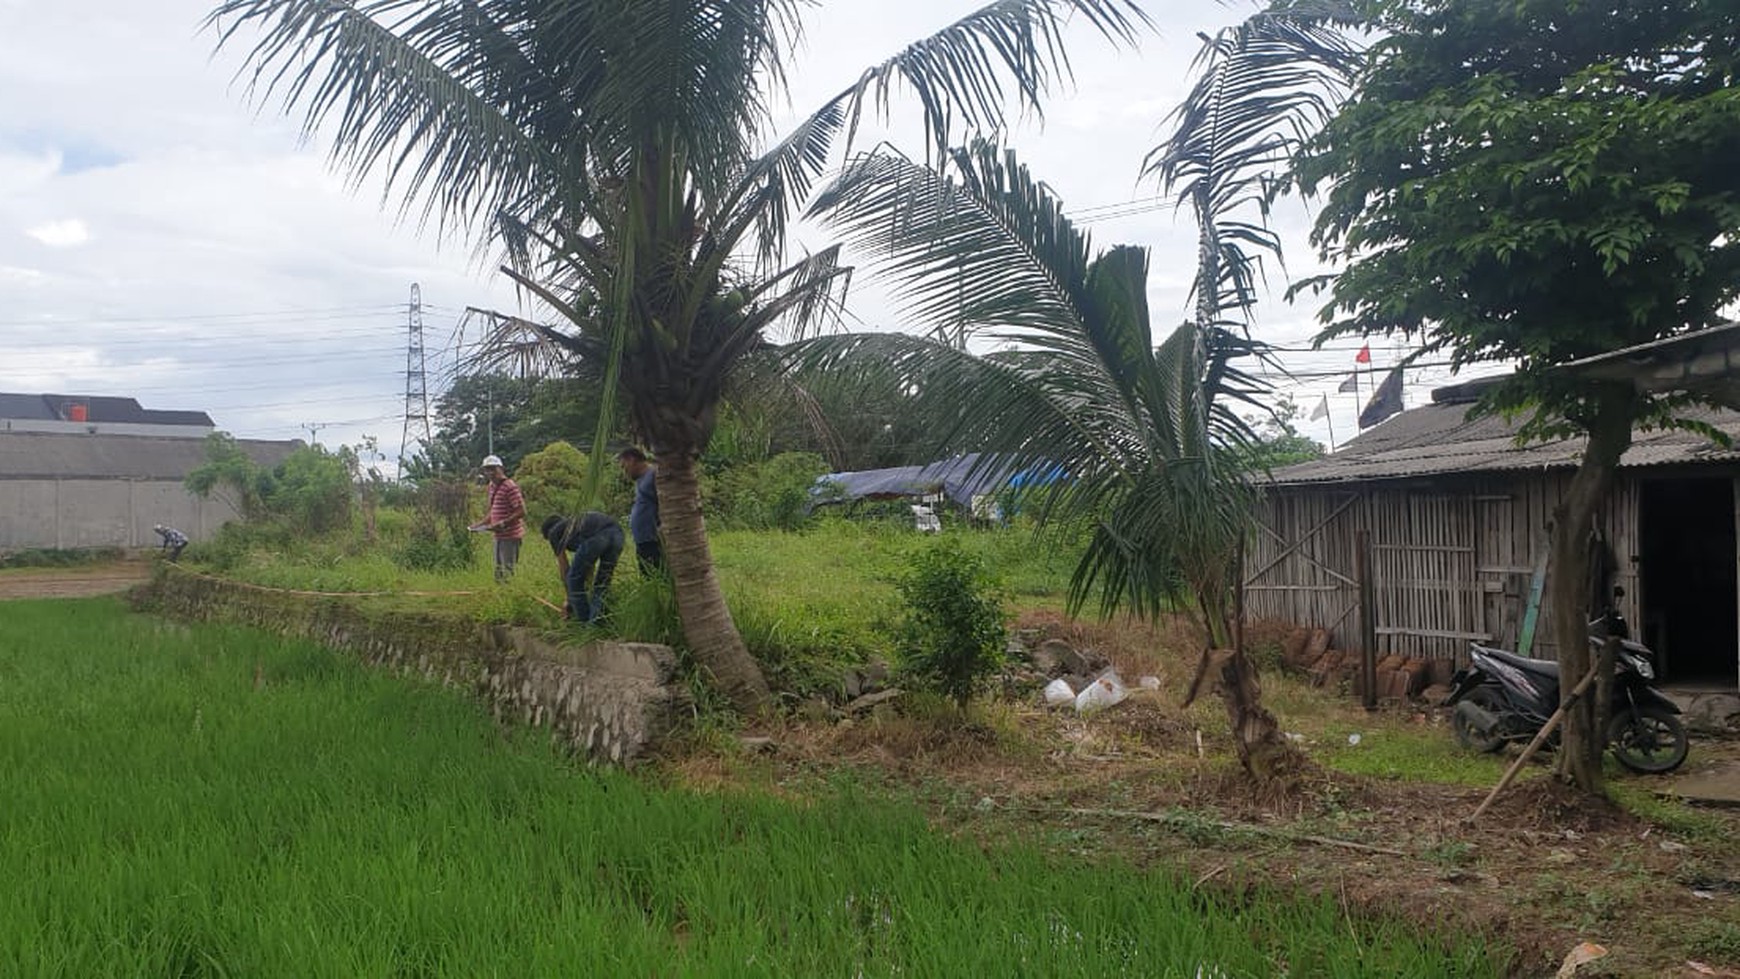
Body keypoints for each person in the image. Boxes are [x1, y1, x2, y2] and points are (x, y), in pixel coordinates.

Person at [541, 512, 624, 623]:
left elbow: (565, 569)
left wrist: (569, 600)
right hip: (618, 534)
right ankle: (596, 621)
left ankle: (583, 623)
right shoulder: (576, 525)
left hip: (598, 537)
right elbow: (589, 566)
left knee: (573, 580)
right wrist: (586, 589)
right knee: (602, 583)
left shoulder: (554, 532)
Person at [477, 454, 525, 582]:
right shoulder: (492, 486)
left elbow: (521, 511)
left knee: (508, 571)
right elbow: (493, 511)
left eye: (493, 469)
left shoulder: (510, 486)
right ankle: (500, 596)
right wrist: (479, 524)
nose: (490, 473)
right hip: (498, 536)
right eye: (487, 469)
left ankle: (511, 597)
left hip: (510, 536)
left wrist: (503, 523)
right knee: (498, 572)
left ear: (501, 468)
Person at [617, 447, 663, 573]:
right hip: (643, 540)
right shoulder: (640, 480)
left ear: (631, 460)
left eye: (623, 466)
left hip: (652, 539)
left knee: (655, 574)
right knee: (647, 576)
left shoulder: (654, 474)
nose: (624, 471)